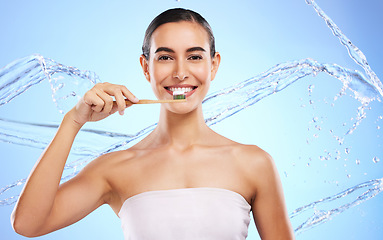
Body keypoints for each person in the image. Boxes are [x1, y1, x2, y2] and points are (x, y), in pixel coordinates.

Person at [11, 8, 294, 240]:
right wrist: (73, 121)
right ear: (146, 67)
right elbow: (28, 224)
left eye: (194, 57)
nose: (181, 72)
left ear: (213, 65)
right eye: (165, 57)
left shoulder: (254, 163)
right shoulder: (114, 169)